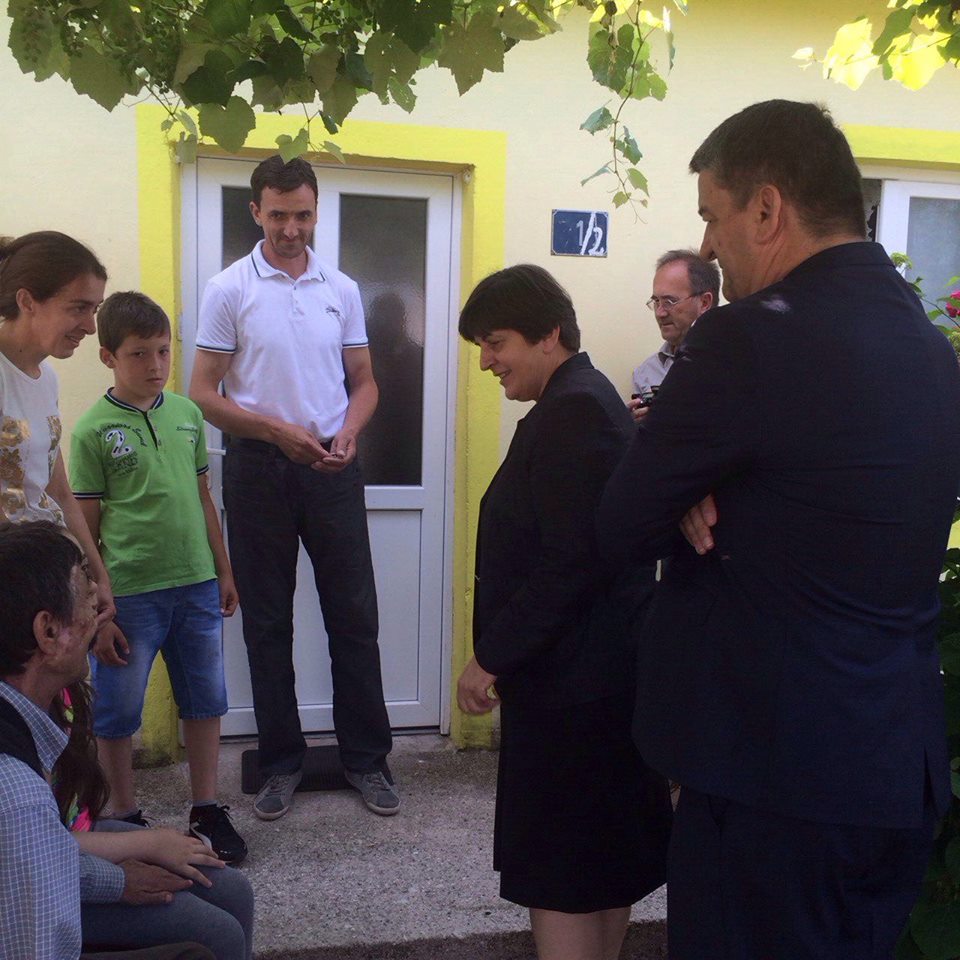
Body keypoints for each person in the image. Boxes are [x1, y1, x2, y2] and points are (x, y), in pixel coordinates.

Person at [598, 99, 960, 960]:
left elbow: (620, 525)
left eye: (713, 216)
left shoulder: (746, 339)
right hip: (892, 767)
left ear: (766, 209)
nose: (710, 246)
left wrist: (686, 488)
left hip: (771, 780)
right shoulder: (932, 350)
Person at [456, 265, 671, 960]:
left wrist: (491, 657)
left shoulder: (575, 411)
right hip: (594, 685)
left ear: (549, 334)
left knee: (564, 874)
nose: (487, 361)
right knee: (600, 870)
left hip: (575, 695)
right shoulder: (582, 399)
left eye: (496, 343)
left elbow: (570, 564)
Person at [189, 155, 395, 819]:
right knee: (268, 623)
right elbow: (201, 392)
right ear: (256, 212)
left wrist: (350, 433)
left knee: (354, 618)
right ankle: (281, 763)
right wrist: (276, 432)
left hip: (333, 467)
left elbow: (364, 382)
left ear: (315, 212)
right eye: (278, 215)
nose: (291, 229)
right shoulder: (228, 289)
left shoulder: (342, 287)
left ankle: (368, 759)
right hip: (259, 469)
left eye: (302, 215)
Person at [68, 291, 246, 865]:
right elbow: (86, 526)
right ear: (108, 357)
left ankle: (206, 807)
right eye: (139, 353)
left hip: (195, 582)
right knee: (118, 709)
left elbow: (203, 498)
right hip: (130, 594)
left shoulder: (188, 414)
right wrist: (98, 608)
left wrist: (223, 569)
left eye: (164, 351)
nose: (155, 365)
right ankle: (123, 812)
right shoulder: (93, 430)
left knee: (205, 698)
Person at [0, 520, 220, 960]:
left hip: (65, 860)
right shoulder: (19, 798)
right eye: (85, 588)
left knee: (226, 891)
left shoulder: (35, 704)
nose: (101, 603)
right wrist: (123, 873)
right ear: (47, 632)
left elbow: (49, 849)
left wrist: (133, 859)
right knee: (206, 941)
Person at [0, 231, 116, 624]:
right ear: (27, 301)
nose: (91, 326)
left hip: (47, 574)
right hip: (15, 584)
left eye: (95, 308)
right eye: (79, 308)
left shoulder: (46, 377)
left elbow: (59, 490)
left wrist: (97, 576)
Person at [627, 249, 718, 423]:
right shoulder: (646, 372)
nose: (660, 313)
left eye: (669, 301)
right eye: (656, 301)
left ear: (704, 302)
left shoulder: (736, 361)